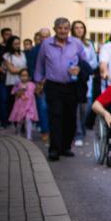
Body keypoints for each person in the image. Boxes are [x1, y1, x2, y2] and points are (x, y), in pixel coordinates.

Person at [34, 18, 88, 161]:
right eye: (60, 28)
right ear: (55, 29)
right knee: (56, 116)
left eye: (66, 28)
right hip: (53, 86)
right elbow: (40, 65)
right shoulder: (46, 44)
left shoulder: (76, 43)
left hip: (71, 86)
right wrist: (38, 83)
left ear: (69, 30)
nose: (63, 31)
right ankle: (54, 149)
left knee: (70, 118)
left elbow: (85, 62)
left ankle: (66, 147)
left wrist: (79, 68)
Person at [71, 20, 98, 148]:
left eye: (81, 27)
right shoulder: (69, 43)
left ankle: (81, 128)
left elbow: (94, 61)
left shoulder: (89, 44)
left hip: (87, 79)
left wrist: (85, 68)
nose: (79, 30)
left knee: (86, 108)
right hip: (73, 80)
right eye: (76, 27)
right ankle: (78, 133)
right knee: (75, 109)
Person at [27, 28, 51, 142]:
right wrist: (39, 81)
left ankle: (53, 130)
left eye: (47, 36)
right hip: (40, 83)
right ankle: (45, 131)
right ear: (39, 38)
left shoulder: (54, 48)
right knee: (43, 107)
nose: (45, 38)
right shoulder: (34, 51)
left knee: (53, 107)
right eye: (43, 36)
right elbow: (31, 68)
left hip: (53, 82)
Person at [9, 68, 38, 140]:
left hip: (30, 105)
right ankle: (18, 132)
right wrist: (20, 89)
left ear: (29, 77)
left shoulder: (32, 84)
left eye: (25, 75)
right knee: (20, 121)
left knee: (28, 119)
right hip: (20, 106)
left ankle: (29, 136)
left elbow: (37, 91)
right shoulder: (18, 84)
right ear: (19, 76)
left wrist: (40, 85)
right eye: (22, 75)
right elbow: (15, 93)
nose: (24, 77)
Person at [3, 36, 27, 116]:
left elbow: (25, 67)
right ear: (11, 44)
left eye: (18, 43)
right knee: (13, 102)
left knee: (23, 101)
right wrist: (23, 69)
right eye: (15, 44)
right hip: (12, 82)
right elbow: (11, 70)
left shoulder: (23, 54)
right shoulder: (7, 56)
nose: (17, 45)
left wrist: (19, 69)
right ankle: (14, 121)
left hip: (23, 81)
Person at [0, 27, 13, 127]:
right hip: (1, 78)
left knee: (12, 100)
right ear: (2, 35)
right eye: (7, 34)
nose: (9, 36)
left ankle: (12, 119)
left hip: (13, 78)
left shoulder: (13, 47)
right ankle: (4, 121)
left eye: (10, 34)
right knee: (3, 99)